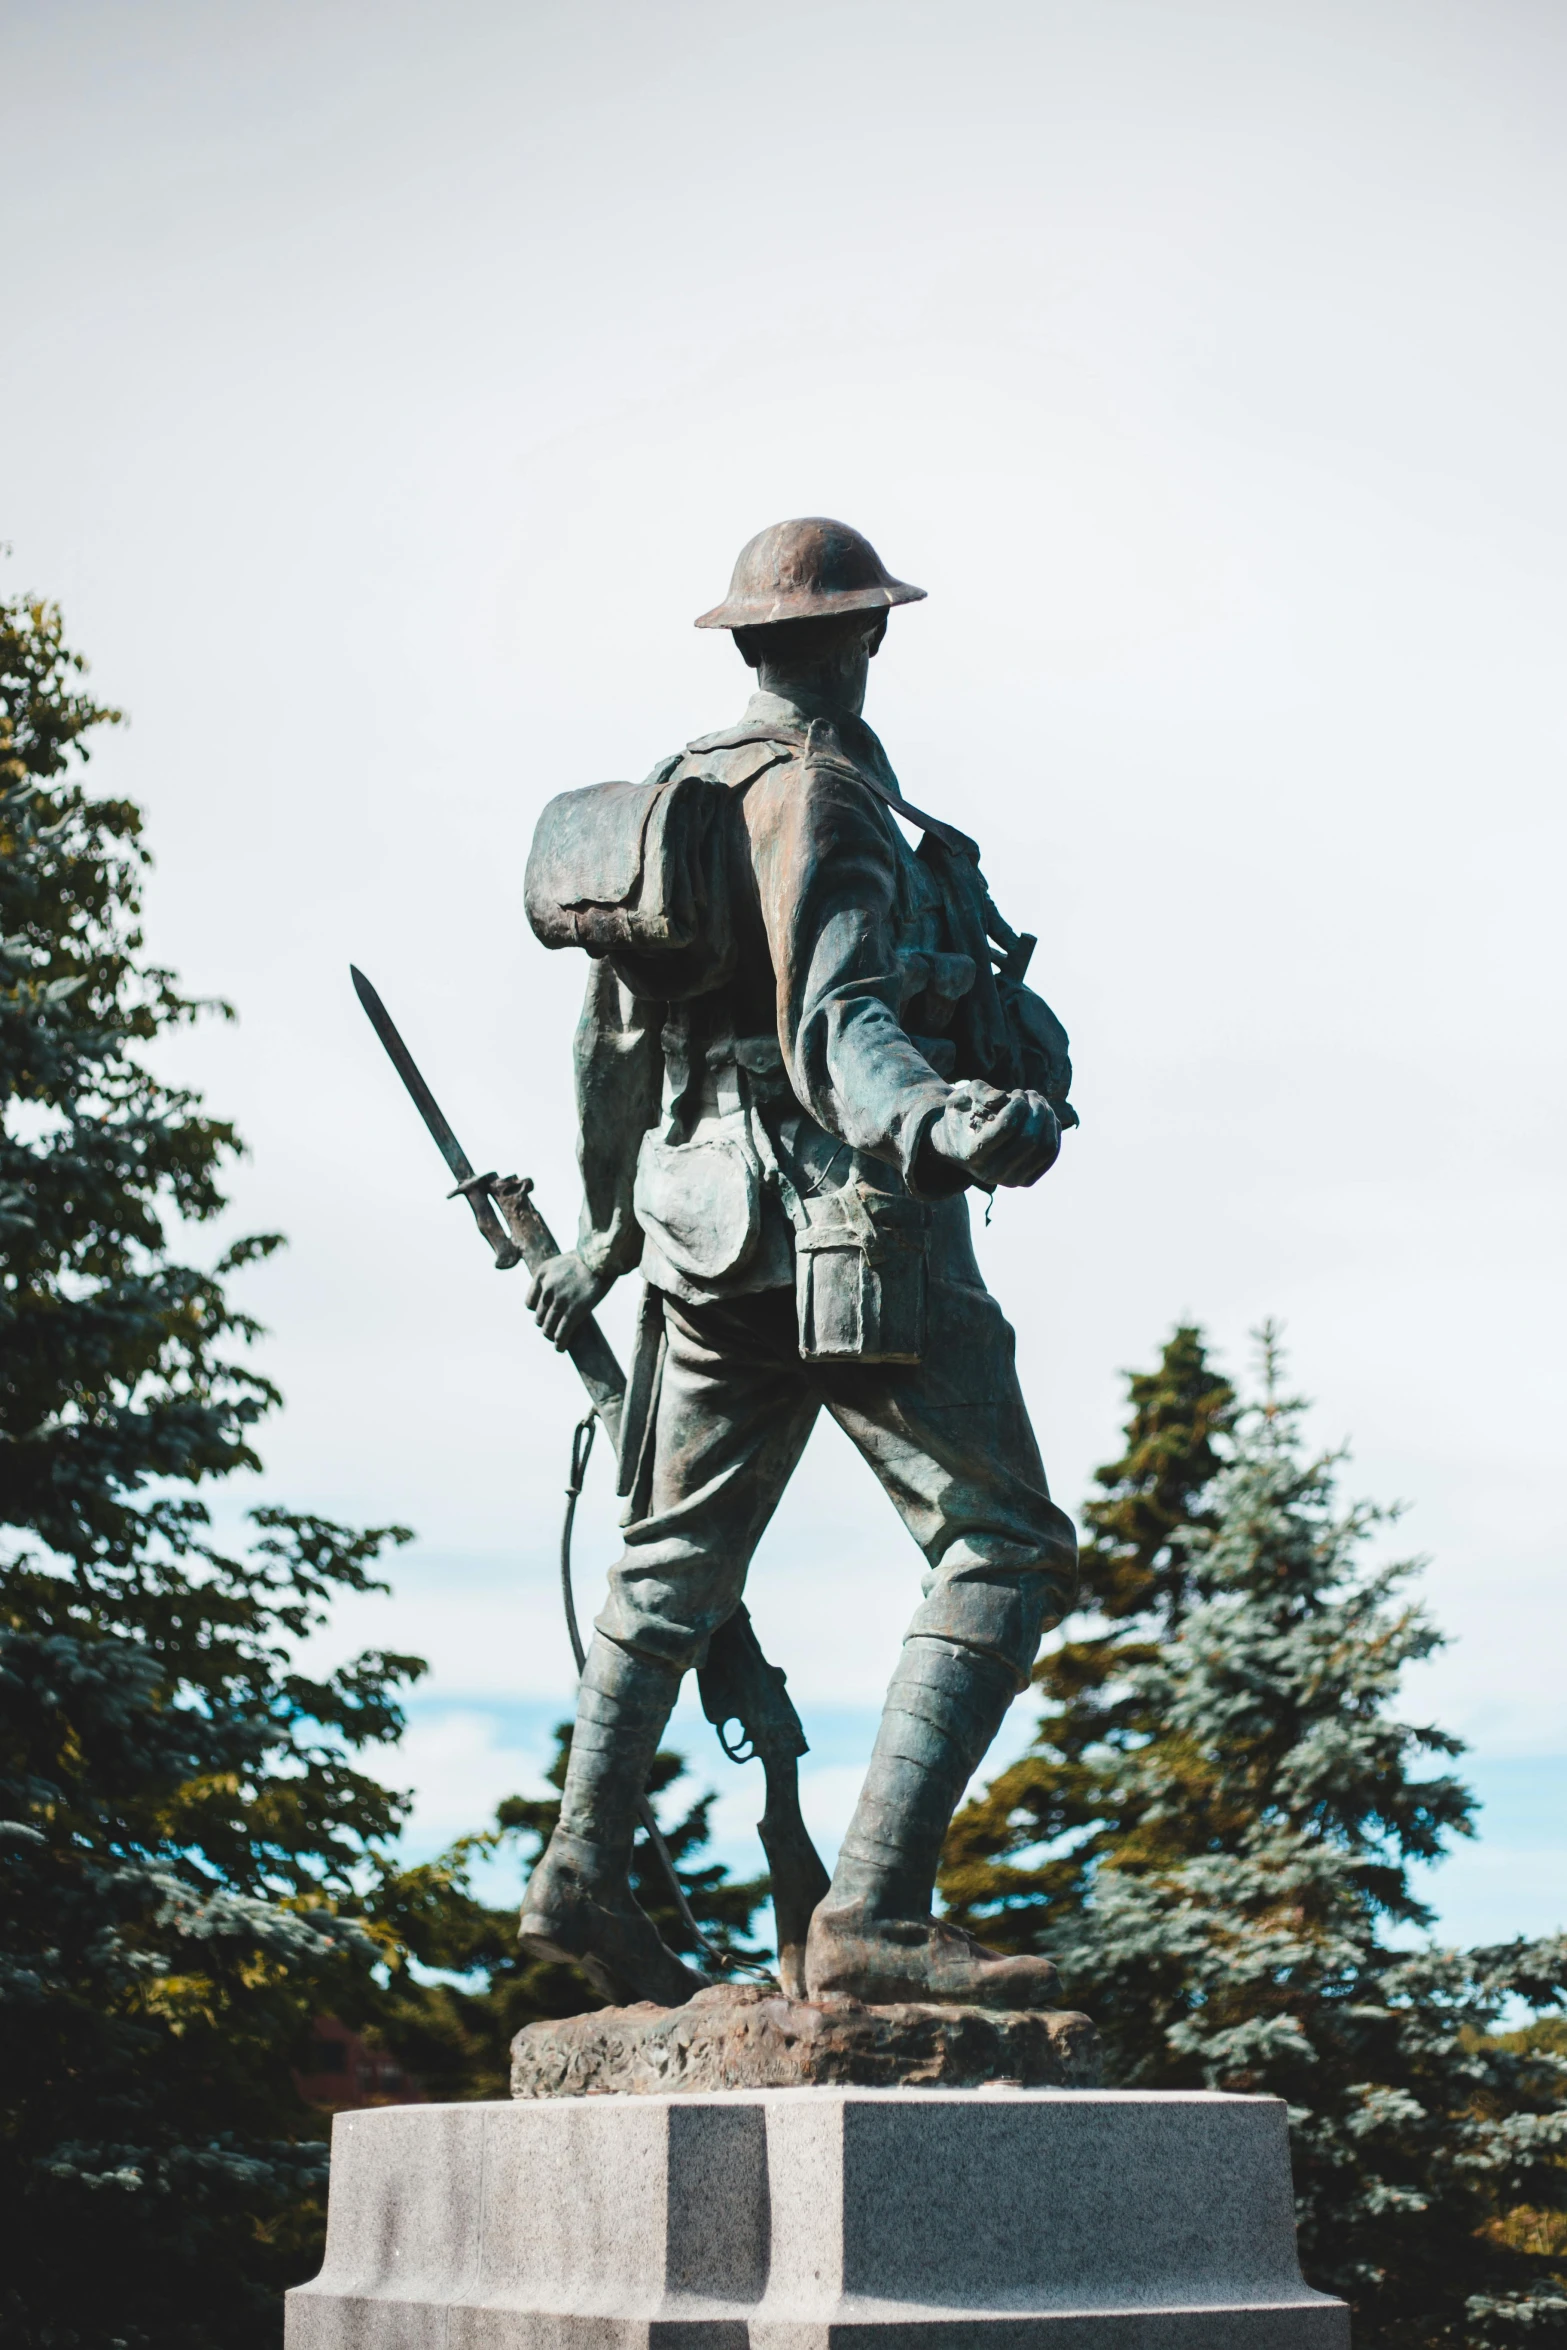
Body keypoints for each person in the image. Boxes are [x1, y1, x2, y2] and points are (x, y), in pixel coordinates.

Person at [517, 517, 1078, 2010]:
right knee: (1005, 1542)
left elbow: (608, 1057)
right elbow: (842, 1026)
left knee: (667, 1564)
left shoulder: (683, 794)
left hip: (701, 1228)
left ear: (748, 644)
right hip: (848, 1223)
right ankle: (876, 1914)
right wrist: (943, 1122)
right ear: (866, 638)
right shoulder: (824, 792)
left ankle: (577, 1870)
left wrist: (612, 1230)